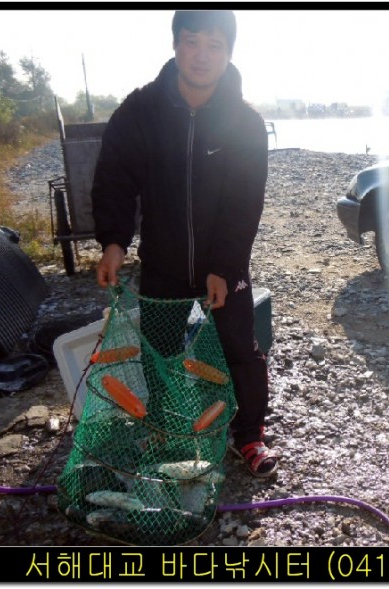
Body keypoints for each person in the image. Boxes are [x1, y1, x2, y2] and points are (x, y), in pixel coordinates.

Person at [91, 10, 277, 477]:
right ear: (175, 45)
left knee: (240, 350)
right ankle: (167, 427)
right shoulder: (140, 111)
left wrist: (225, 266)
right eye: (192, 41)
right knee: (160, 351)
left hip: (224, 264)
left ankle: (249, 435)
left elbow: (245, 203)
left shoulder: (245, 123)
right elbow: (114, 179)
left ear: (228, 53)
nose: (202, 55)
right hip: (163, 261)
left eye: (215, 45)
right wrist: (113, 242)